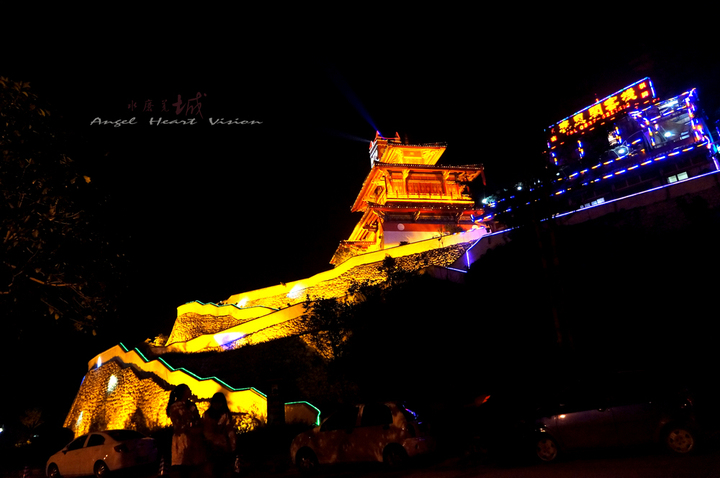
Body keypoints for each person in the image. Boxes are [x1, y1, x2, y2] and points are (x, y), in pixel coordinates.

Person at [166, 384, 207, 477]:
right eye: (188, 389)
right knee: (183, 467)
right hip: (182, 438)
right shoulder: (175, 407)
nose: (190, 391)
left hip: (194, 438)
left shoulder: (191, 405)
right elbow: (178, 423)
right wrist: (189, 427)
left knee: (195, 467)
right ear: (183, 392)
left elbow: (196, 419)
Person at [203, 392, 236, 478]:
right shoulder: (208, 415)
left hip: (221, 447)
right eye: (215, 402)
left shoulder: (224, 415)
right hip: (213, 447)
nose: (217, 405)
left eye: (219, 403)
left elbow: (230, 433)